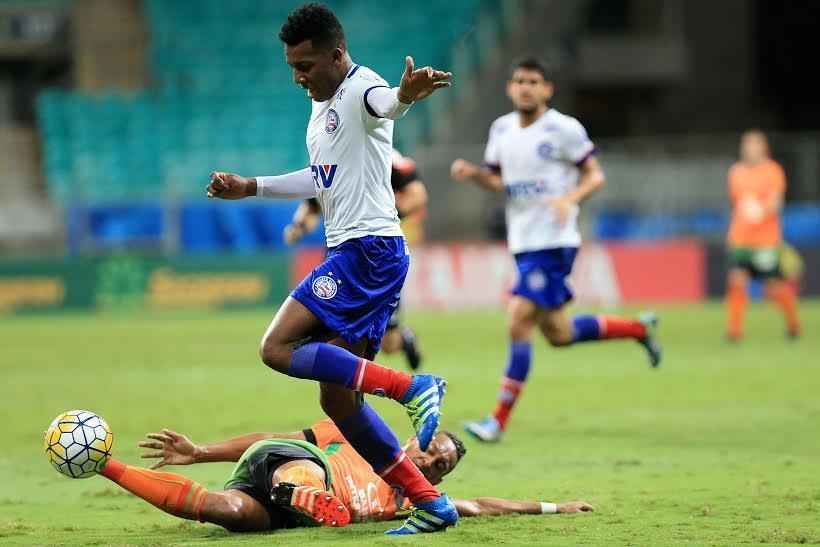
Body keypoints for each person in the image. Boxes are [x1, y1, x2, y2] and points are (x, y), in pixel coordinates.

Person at [205, 3, 456, 534]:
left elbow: (388, 103)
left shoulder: (363, 88)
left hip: (365, 251)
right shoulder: (321, 105)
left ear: (337, 55)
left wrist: (408, 94)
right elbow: (323, 177)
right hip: (364, 253)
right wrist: (251, 187)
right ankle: (431, 502)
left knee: (276, 348)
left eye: (306, 66)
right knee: (340, 402)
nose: (298, 77)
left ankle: (412, 387)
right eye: (292, 67)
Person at [450, 57, 662, 444]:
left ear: (547, 89)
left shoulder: (564, 129)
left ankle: (497, 421)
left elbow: (595, 174)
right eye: (519, 81)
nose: (526, 87)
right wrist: (475, 175)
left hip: (554, 241)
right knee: (559, 333)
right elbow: (499, 183)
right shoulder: (501, 130)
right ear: (510, 88)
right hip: (524, 241)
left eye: (533, 81)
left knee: (518, 317)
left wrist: (571, 198)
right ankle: (638, 328)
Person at [91, 419, 593, 533]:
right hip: (283, 461)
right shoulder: (359, 433)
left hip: (264, 501)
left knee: (233, 514)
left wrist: (554, 507)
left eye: (442, 468)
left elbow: (482, 506)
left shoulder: (414, 503)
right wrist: (201, 452)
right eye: (431, 451)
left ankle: (104, 465)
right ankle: (300, 491)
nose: (433, 464)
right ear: (414, 440)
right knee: (307, 469)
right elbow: (275, 435)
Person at [284, 148, 428, 370]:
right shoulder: (329, 154)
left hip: (379, 256)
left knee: (387, 343)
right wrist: (298, 227)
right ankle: (343, 380)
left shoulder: (385, 156)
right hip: (340, 254)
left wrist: (382, 216)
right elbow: (312, 205)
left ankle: (403, 340)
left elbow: (418, 195)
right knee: (331, 324)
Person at [725, 129, 801, 342]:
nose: (749, 149)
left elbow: (776, 202)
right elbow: (737, 205)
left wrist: (762, 211)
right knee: (736, 281)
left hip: (765, 242)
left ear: (763, 148)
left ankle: (793, 324)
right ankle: (734, 331)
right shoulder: (735, 172)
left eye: (753, 145)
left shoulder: (772, 171)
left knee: (773, 289)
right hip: (740, 240)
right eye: (746, 145)